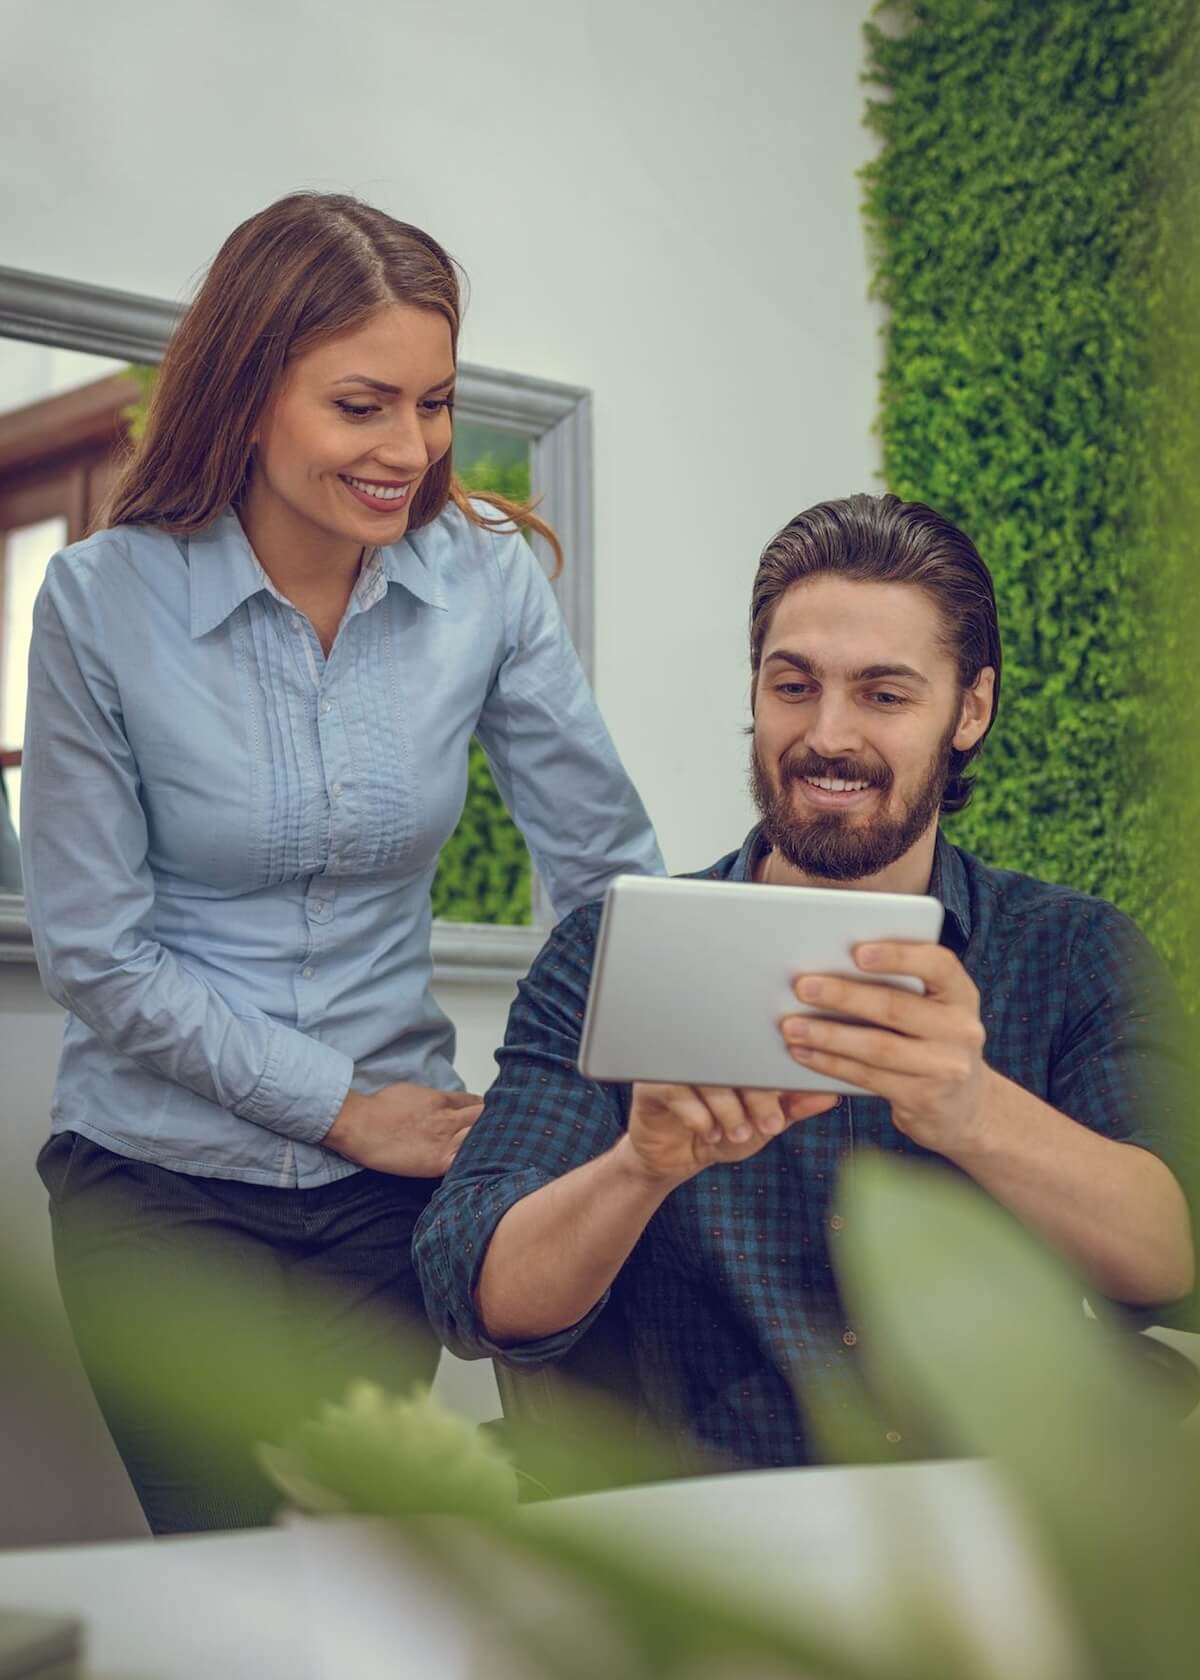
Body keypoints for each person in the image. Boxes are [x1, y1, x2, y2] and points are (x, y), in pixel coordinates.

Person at [21, 191, 662, 1533]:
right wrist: (337, 1106)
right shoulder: (101, 602)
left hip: (389, 1194)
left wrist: (571, 1115)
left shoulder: (485, 583)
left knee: (366, 1559)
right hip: (159, 1180)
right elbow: (95, 950)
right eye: (362, 406)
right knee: (223, 1563)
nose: (410, 450)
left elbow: (601, 863)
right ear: (249, 396)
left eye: (434, 404)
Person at [414, 492, 1195, 1476]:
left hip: (990, 1521)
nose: (827, 735)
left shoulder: (1073, 953)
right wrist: (640, 1168)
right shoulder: (605, 952)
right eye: (794, 685)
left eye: (884, 695)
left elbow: (1171, 1260)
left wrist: (976, 1113)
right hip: (703, 1529)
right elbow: (476, 1294)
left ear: (971, 709)